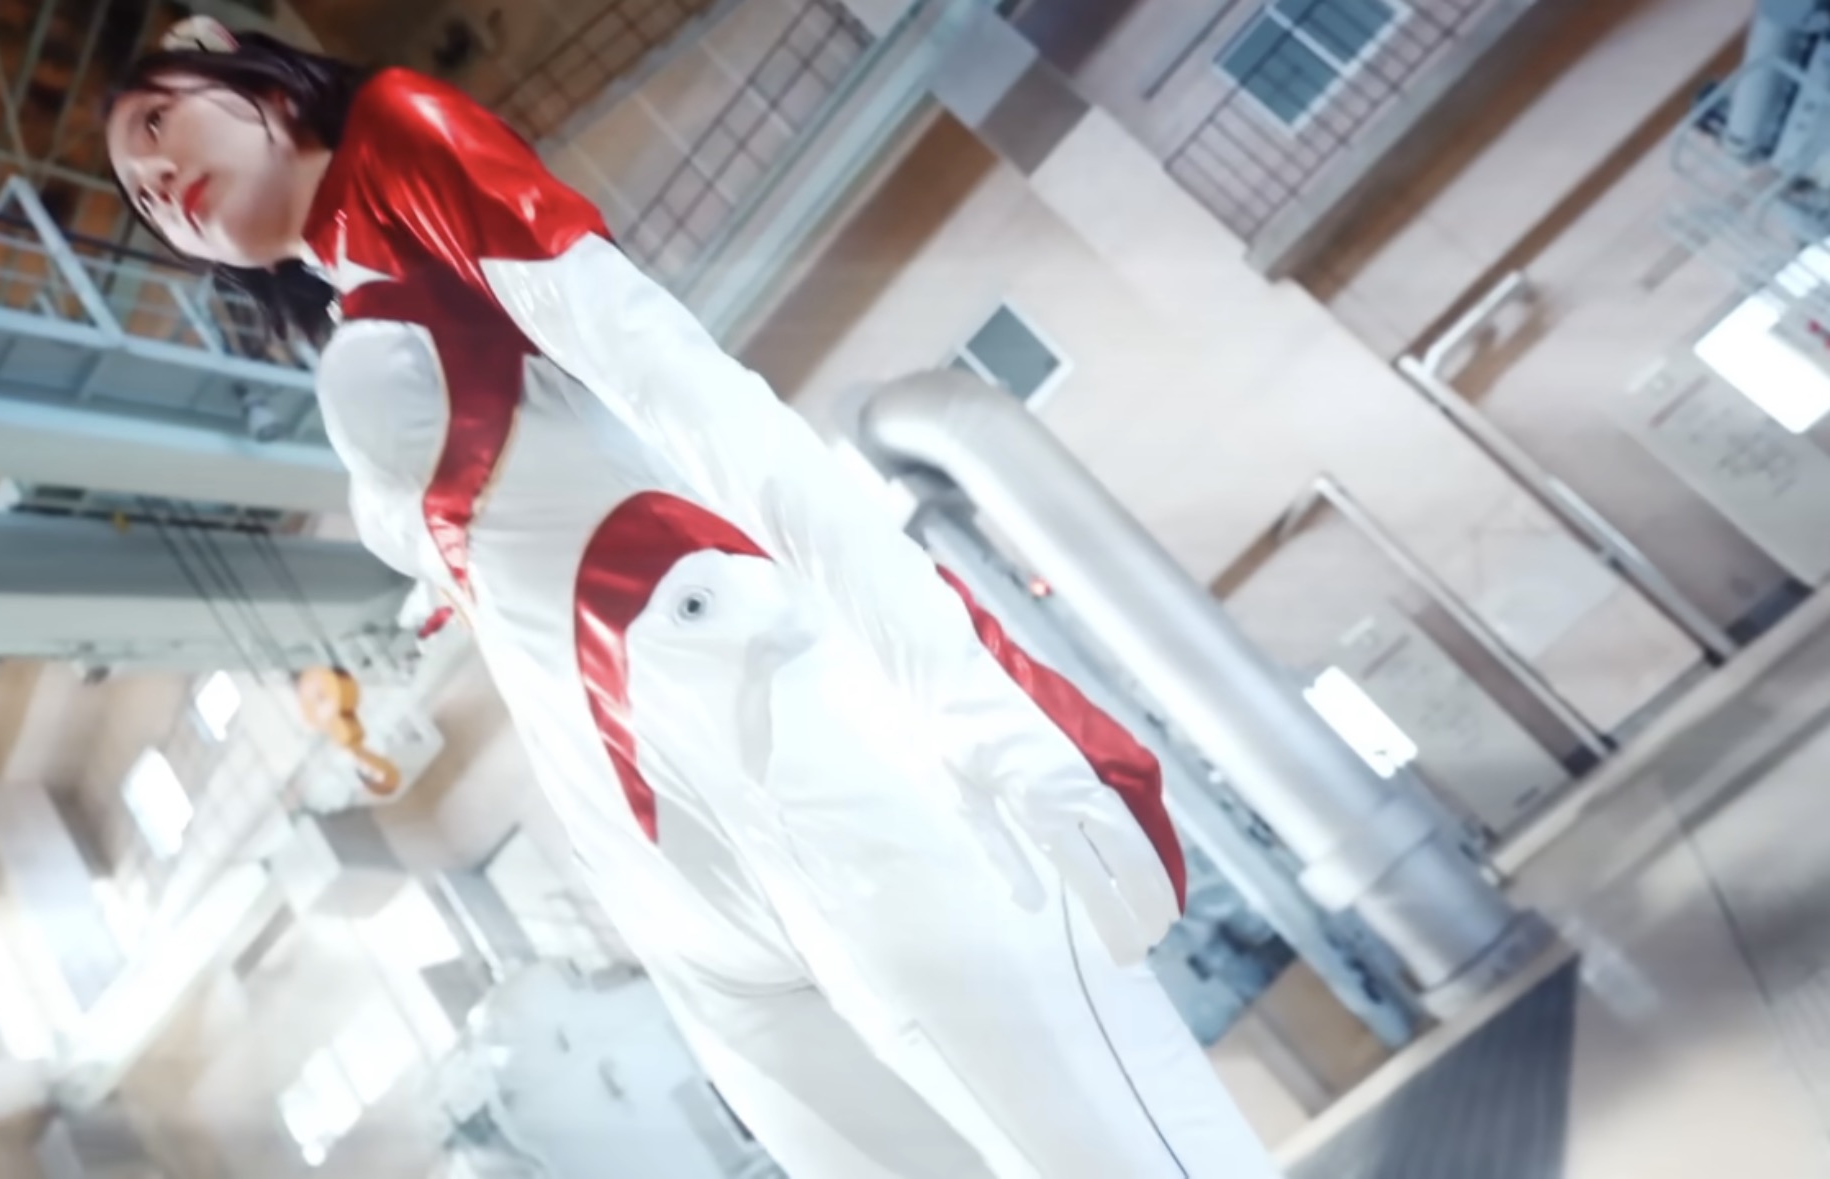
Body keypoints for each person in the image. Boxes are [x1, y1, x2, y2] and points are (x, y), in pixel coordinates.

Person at [105, 18, 1279, 1178]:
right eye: (140, 200)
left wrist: (989, 712)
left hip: (767, 722)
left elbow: (700, 398)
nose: (157, 184)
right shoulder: (352, 298)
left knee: (1101, 1152)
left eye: (155, 122)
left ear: (236, 61)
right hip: (652, 842)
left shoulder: (399, 143)